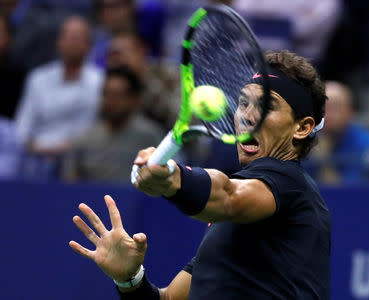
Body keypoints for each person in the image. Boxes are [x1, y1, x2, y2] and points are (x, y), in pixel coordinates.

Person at [69, 50, 331, 299]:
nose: (248, 117)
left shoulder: (288, 182)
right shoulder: (235, 221)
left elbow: (228, 195)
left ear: (302, 127)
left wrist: (171, 175)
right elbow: (169, 298)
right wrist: (130, 279)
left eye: (267, 107)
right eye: (243, 103)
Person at [14, 16, 103, 180]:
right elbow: (22, 130)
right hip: (38, 159)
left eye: (78, 38)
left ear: (88, 45)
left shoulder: (100, 81)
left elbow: (102, 128)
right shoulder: (38, 78)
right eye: (68, 37)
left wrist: (71, 147)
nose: (73, 43)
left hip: (83, 159)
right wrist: (41, 148)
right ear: (59, 42)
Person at [63, 66, 164, 183]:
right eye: (106, 94)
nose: (111, 101)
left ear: (134, 99)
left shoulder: (150, 137)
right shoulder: (83, 141)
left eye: (118, 95)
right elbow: (69, 185)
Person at [305, 81, 369, 185]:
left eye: (334, 108)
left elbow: (350, 194)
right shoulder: (302, 142)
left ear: (350, 111)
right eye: (321, 108)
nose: (327, 114)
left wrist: (325, 161)